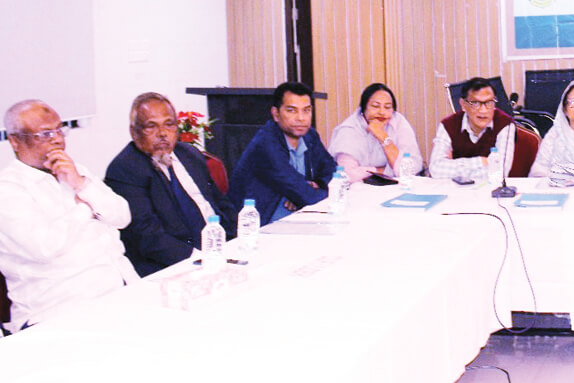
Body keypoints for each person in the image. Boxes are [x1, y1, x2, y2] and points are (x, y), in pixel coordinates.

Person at [0, 100, 138, 333]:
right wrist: (85, 209)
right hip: (59, 310)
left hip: (122, 289)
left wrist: (81, 184)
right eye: (45, 133)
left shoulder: (76, 170)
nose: (57, 139)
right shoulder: (9, 189)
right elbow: (45, 247)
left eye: (60, 129)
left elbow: (122, 216)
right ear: (15, 141)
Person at [105, 93, 236, 277]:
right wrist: (199, 259)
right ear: (134, 132)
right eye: (151, 126)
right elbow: (148, 237)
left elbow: (220, 203)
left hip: (220, 250)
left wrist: (236, 240)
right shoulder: (125, 168)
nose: (162, 133)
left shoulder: (190, 154)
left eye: (169, 124)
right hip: (174, 265)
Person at [228, 82, 337, 225]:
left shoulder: (310, 136)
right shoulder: (265, 144)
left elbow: (335, 172)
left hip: (299, 217)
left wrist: (316, 185)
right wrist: (303, 194)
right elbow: (307, 196)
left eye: (306, 110)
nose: (301, 118)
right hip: (261, 226)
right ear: (276, 114)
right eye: (292, 110)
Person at [328, 83, 423, 182]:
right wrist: (384, 171)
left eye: (387, 107)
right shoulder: (349, 129)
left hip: (396, 185)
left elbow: (412, 167)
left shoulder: (398, 122)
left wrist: (383, 136)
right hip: (360, 188)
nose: (382, 112)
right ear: (363, 108)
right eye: (375, 106)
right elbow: (347, 174)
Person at [428, 77, 514, 180]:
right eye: (475, 103)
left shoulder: (505, 124)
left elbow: (501, 171)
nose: (483, 110)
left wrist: (453, 167)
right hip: (457, 188)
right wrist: (481, 161)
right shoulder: (448, 125)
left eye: (489, 102)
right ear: (463, 104)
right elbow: (436, 169)